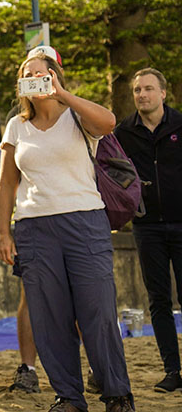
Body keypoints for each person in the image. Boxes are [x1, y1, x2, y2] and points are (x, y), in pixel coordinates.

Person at [0, 47, 134, 412]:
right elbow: (6, 184)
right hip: (34, 229)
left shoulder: (77, 116)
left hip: (84, 222)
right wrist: (4, 234)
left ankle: (117, 394)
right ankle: (68, 397)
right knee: (49, 317)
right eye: (28, 75)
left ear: (55, 76)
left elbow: (108, 122)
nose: (35, 80)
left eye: (43, 74)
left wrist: (62, 94)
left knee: (97, 311)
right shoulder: (16, 125)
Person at [115, 67, 182, 393]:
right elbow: (112, 170)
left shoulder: (180, 124)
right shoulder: (124, 131)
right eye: (137, 90)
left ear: (163, 93)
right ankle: (172, 371)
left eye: (148, 89)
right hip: (147, 227)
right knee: (159, 301)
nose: (142, 94)